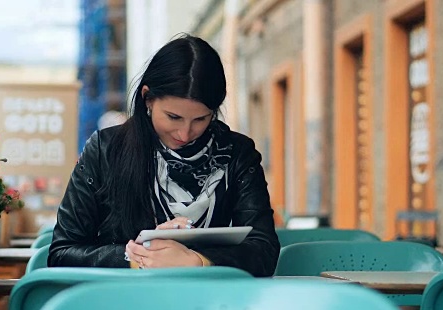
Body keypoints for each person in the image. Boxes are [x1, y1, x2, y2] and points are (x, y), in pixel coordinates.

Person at [48, 35, 279, 277]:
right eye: (173, 117)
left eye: (201, 119)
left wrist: (197, 261)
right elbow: (62, 253)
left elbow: (264, 250)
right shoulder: (106, 150)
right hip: (121, 301)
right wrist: (138, 257)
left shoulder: (237, 153)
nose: (185, 133)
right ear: (147, 98)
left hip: (212, 303)